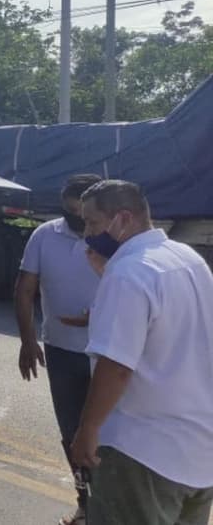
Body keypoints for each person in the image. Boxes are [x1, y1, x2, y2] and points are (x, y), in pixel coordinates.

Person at [70, 179, 213, 525]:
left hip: (142, 454)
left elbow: (116, 365)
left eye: (91, 222)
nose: (87, 233)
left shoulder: (128, 273)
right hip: (200, 452)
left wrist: (88, 429)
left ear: (123, 218)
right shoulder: (187, 259)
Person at [15, 173, 104, 525]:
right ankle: (86, 504)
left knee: (112, 437)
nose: (77, 223)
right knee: (72, 435)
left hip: (110, 356)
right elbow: (25, 289)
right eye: (70, 214)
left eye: (83, 216)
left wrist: (100, 316)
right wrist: (27, 340)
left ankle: (111, 508)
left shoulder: (115, 238)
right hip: (62, 352)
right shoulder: (45, 235)